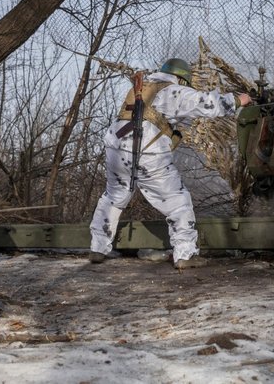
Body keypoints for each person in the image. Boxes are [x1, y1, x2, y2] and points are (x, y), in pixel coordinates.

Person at [89, 58, 251, 269]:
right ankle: (185, 254)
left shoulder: (145, 86)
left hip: (116, 148)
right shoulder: (173, 90)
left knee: (114, 196)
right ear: (182, 79)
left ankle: (98, 248)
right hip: (148, 152)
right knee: (177, 200)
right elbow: (207, 104)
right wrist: (239, 100)